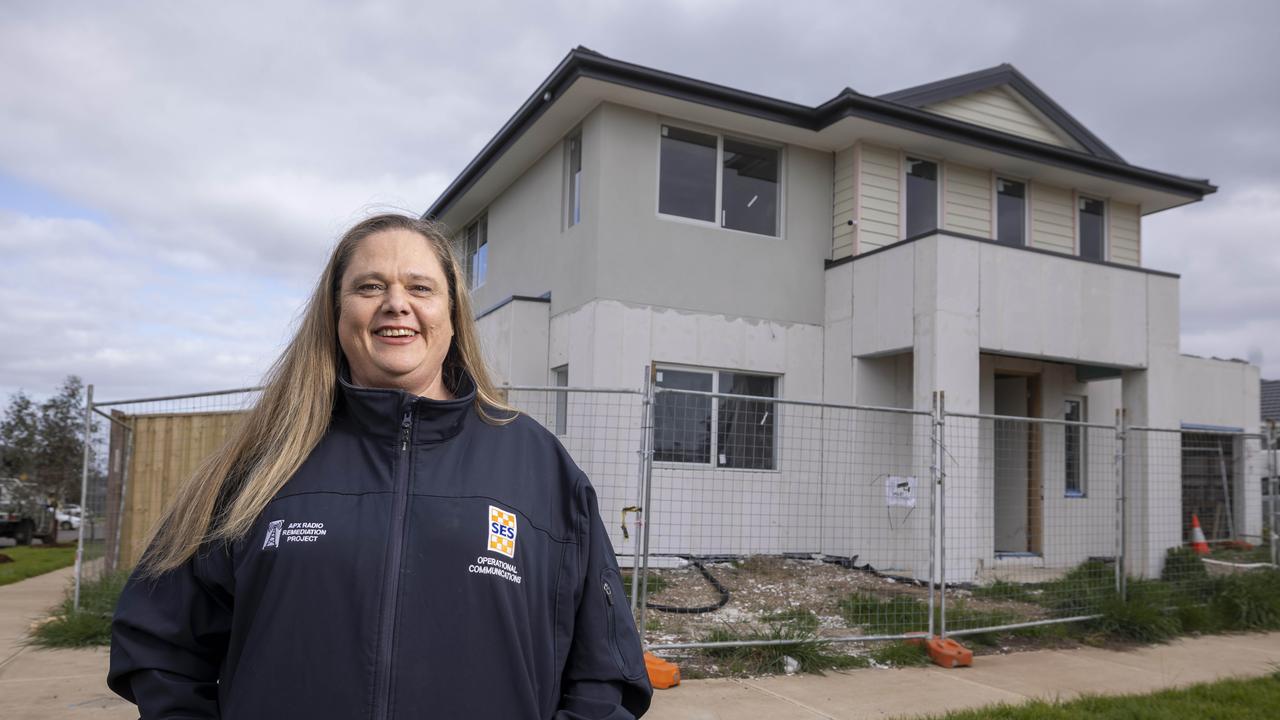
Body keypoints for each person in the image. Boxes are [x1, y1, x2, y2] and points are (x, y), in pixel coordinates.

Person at [108, 213, 652, 719]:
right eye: (370, 287)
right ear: (337, 312)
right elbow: (159, 644)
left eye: (420, 288)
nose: (396, 304)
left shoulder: (539, 465)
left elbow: (605, 670)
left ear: (453, 315)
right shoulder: (260, 462)